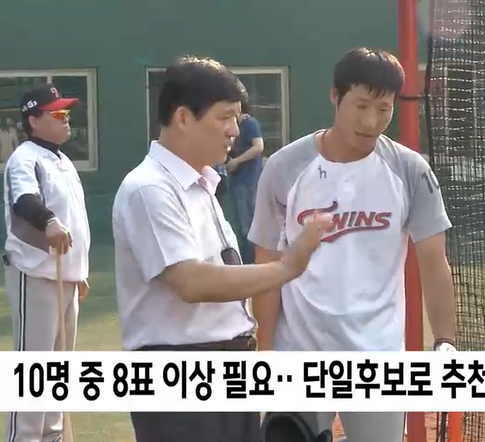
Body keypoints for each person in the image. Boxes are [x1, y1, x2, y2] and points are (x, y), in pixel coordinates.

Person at [110, 55, 331, 442]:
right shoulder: (150, 189)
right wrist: (288, 266)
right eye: (225, 117)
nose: (235, 130)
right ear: (183, 117)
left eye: (237, 118)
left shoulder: (200, 184)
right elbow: (192, 281)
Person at [247, 47, 458, 442]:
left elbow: (434, 263)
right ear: (335, 96)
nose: (371, 121)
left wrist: (445, 341)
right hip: (300, 353)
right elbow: (267, 262)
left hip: (377, 355)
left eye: (383, 108)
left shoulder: (410, 170)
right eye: (360, 106)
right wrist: (268, 350)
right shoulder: (284, 167)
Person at [2, 83, 91, 442]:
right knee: (34, 365)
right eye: (57, 113)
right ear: (33, 120)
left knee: (58, 366)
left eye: (66, 112)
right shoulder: (24, 157)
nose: (66, 118)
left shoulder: (63, 160)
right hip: (35, 272)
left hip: (64, 276)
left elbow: (75, 222)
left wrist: (78, 272)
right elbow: (25, 201)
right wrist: (49, 221)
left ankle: (52, 436)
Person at [226, 94, 264, 264]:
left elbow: (259, 146)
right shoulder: (238, 127)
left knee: (246, 225)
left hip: (248, 180)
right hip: (237, 179)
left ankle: (251, 262)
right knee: (241, 225)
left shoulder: (250, 123)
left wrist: (237, 161)